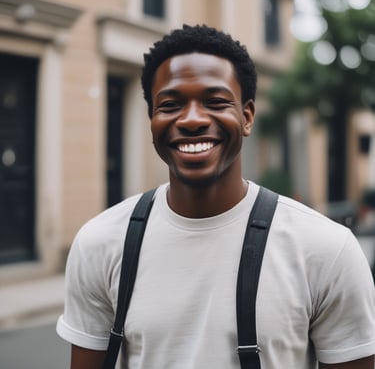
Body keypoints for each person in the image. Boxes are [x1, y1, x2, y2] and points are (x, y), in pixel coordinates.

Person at [56, 24, 375, 369]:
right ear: (152, 119)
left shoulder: (326, 249)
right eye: (171, 104)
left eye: (215, 102)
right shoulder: (100, 243)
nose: (192, 119)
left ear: (247, 116)